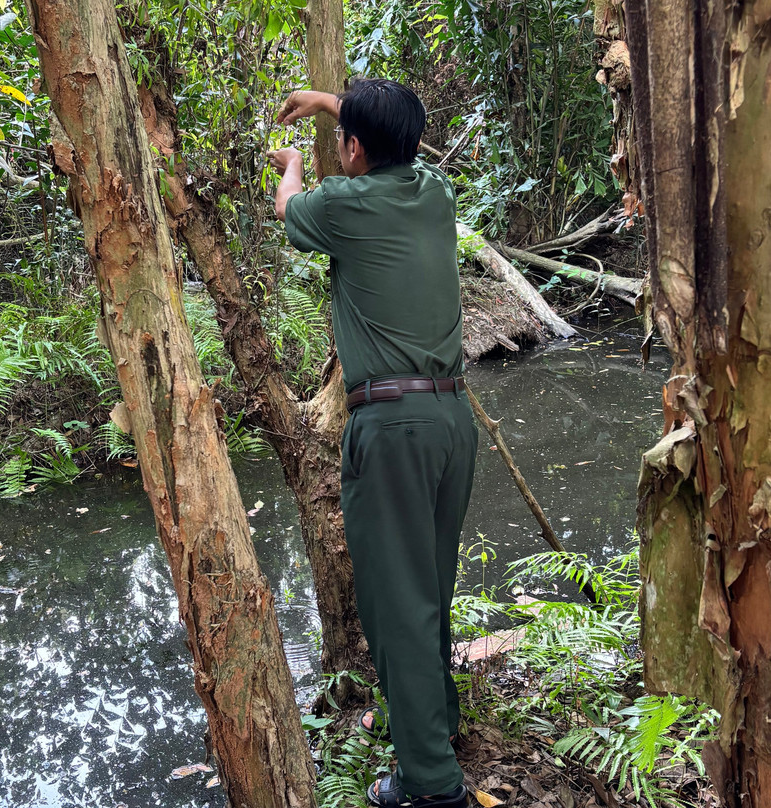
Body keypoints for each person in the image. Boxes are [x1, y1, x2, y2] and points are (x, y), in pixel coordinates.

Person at [268, 79, 477, 808]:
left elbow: (289, 210)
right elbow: (392, 141)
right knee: (431, 589)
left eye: (345, 141)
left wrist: (293, 161)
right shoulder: (437, 193)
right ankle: (436, 727)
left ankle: (430, 786)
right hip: (453, 423)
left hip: (391, 429)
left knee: (397, 605)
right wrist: (334, 104)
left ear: (354, 151)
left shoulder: (343, 206)